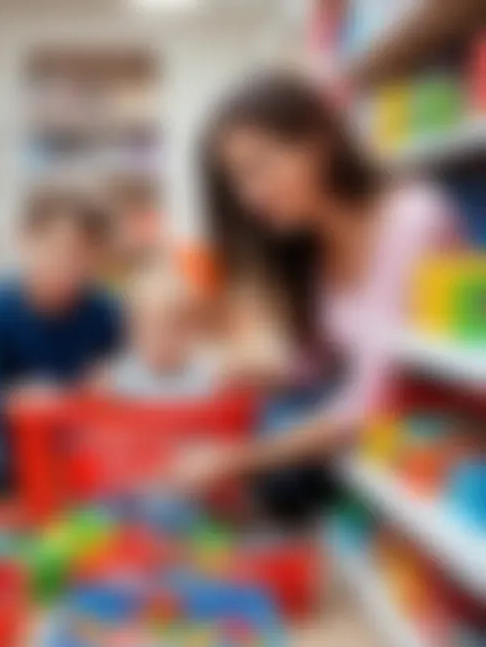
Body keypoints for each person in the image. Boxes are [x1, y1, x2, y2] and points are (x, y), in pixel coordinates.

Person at [170, 70, 458, 527]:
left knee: (278, 446)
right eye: (237, 182)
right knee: (273, 415)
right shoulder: (311, 249)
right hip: (379, 423)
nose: (249, 196)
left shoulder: (413, 218)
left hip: (440, 438)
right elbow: (317, 364)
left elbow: (374, 398)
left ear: (319, 140)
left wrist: (241, 459)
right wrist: (257, 372)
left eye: (260, 167)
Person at [0, 187, 123, 497]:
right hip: (7, 437)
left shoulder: (105, 311)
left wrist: (113, 381)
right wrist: (11, 400)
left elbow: (127, 374)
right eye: (59, 250)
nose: (71, 267)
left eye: (87, 256)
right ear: (26, 241)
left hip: (76, 433)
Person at [99, 261, 217, 399]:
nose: (159, 342)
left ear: (188, 333)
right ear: (132, 333)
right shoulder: (119, 378)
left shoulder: (206, 378)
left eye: (169, 329)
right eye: (147, 331)